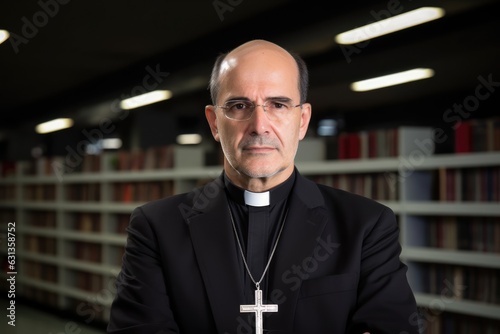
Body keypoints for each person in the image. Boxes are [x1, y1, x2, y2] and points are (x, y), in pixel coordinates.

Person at [107, 39, 419, 334]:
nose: (259, 126)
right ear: (215, 122)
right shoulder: (157, 228)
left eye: (278, 105)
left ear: (303, 120)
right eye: (239, 106)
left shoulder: (366, 225)